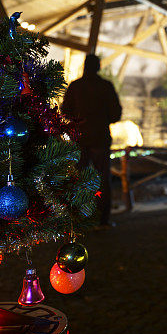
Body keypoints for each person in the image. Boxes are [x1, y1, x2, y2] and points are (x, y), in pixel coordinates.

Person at [61, 54, 122, 228]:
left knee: (78, 178)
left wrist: (79, 121)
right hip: (100, 138)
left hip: (79, 139)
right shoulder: (105, 87)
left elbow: (65, 111)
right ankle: (103, 218)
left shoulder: (75, 87)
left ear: (84, 67)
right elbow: (115, 114)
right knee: (102, 179)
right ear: (99, 67)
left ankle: (77, 217)